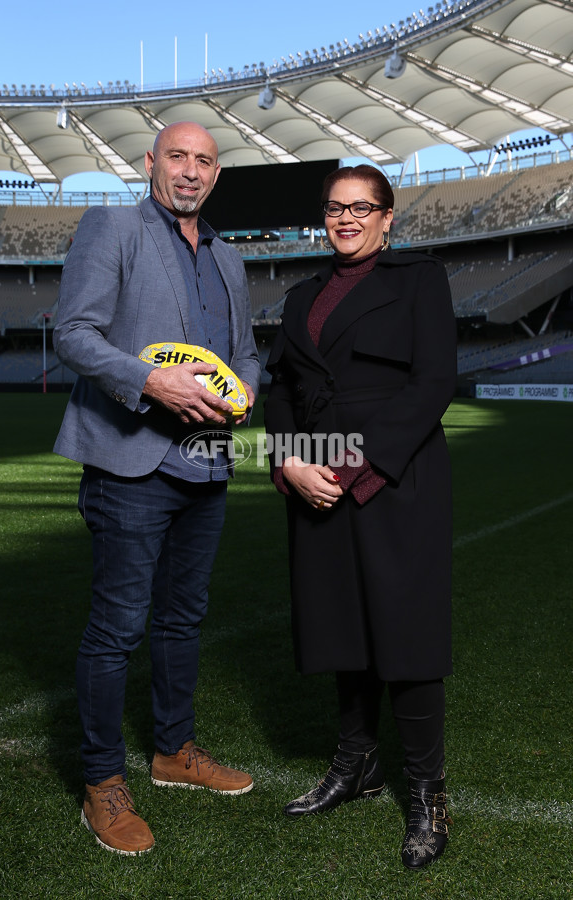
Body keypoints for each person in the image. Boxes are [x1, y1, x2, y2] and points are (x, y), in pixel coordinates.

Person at [53, 122, 261, 856]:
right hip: (131, 460)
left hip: (204, 463)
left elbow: (246, 355)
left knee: (183, 619)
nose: (190, 170)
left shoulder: (230, 259)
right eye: (178, 156)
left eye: (205, 161)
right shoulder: (113, 227)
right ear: (150, 163)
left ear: (215, 175)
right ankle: (101, 782)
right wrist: (150, 381)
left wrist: (244, 394)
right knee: (118, 628)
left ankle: (174, 751)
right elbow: (73, 333)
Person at [264, 165, 456, 870]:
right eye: (335, 208)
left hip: (395, 479)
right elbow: (279, 387)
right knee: (341, 625)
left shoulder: (418, 279)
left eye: (361, 207)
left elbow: (434, 381)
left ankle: (428, 796)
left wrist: (345, 468)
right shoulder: (300, 296)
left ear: (387, 215)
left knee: (405, 635)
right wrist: (290, 461)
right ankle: (357, 764)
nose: (346, 219)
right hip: (315, 473)